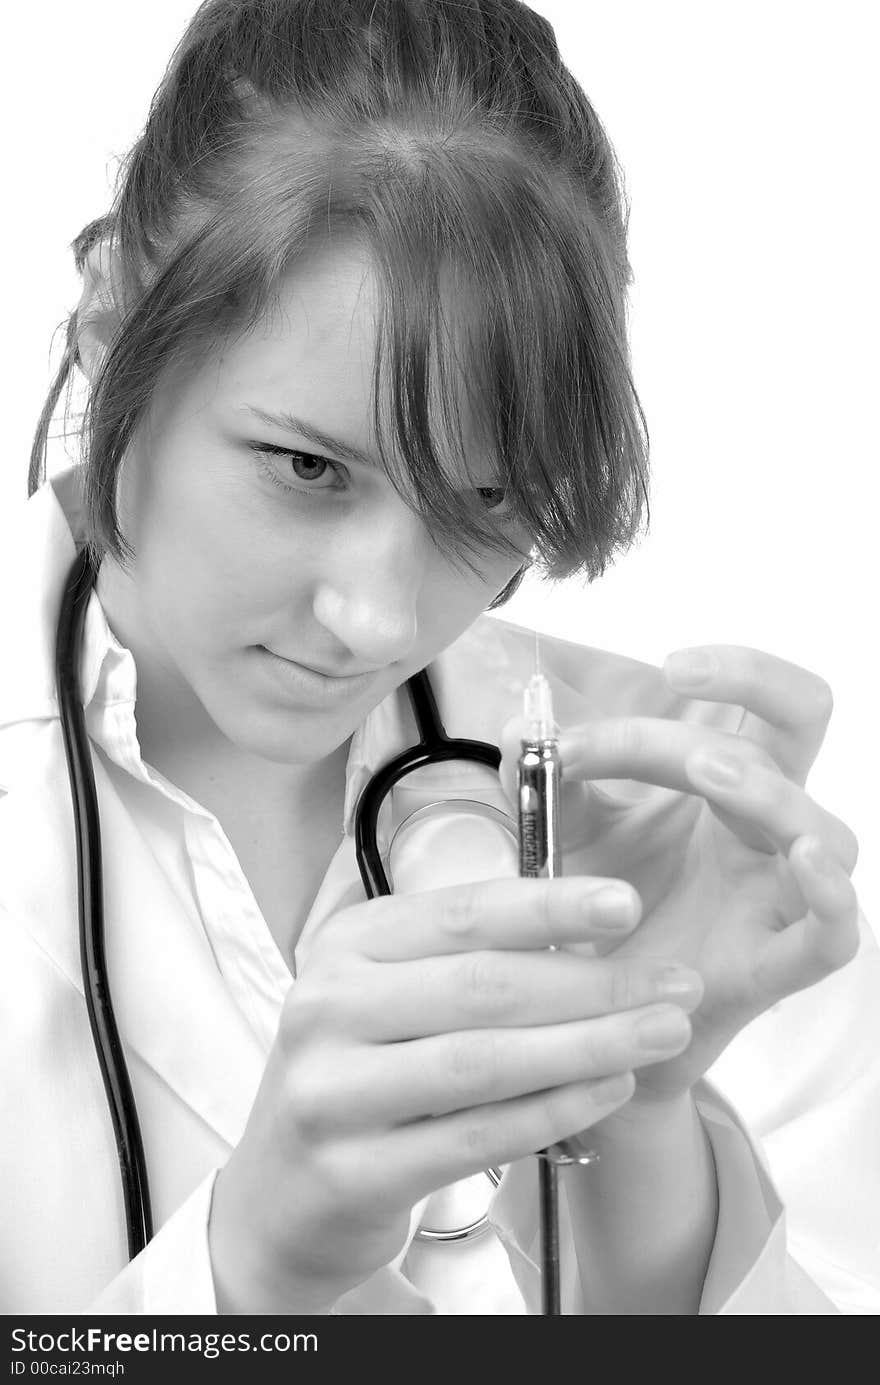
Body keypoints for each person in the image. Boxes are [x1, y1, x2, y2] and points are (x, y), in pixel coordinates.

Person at [2, 0, 877, 1316]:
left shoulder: (681, 840)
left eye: (483, 506)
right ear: (113, 326)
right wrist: (249, 1272)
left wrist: (645, 1123)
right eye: (306, 466)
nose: (381, 617)